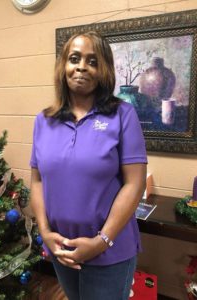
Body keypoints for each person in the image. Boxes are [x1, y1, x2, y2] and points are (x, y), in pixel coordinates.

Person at [30, 31, 147, 300]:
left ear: (103, 70)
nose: (82, 66)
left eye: (92, 61)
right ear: (63, 66)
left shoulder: (122, 114)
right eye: (74, 58)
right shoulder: (43, 120)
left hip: (110, 251)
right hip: (62, 249)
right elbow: (37, 180)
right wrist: (46, 233)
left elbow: (135, 182)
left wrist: (101, 241)